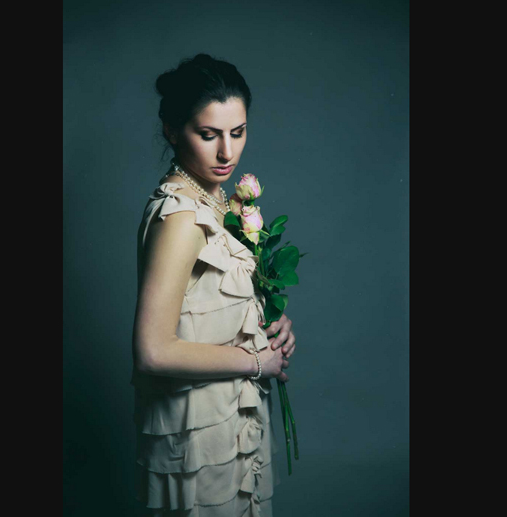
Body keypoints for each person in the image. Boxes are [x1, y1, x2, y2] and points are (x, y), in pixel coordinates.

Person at [131, 53, 297, 517]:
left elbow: (210, 299)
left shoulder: (216, 199)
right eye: (208, 135)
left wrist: (270, 321)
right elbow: (152, 351)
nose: (227, 153)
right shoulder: (181, 217)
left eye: (237, 132)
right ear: (172, 130)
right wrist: (258, 361)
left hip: (232, 413)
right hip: (199, 428)